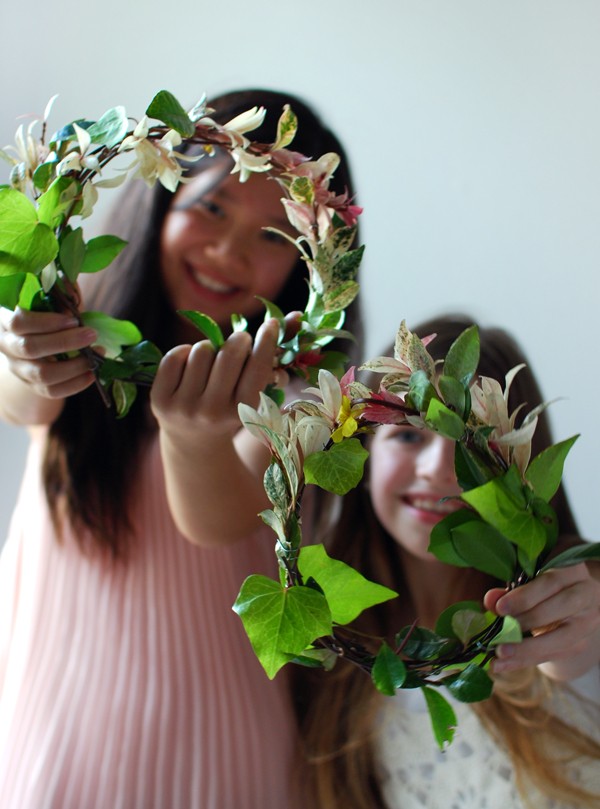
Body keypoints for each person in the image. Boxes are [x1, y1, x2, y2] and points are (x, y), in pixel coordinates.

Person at [0, 88, 362, 809]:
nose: (228, 251)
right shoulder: (82, 325)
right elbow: (24, 399)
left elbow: (220, 518)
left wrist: (195, 436)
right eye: (212, 206)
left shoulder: (302, 394)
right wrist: (20, 351)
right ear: (163, 200)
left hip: (219, 752)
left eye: (274, 237)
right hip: (58, 734)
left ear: (308, 265)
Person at [291, 314, 600, 809]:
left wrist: (575, 639)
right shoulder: (334, 652)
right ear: (363, 458)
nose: (438, 470)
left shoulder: (572, 595)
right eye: (408, 435)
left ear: (521, 466)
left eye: (471, 445)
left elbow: (576, 643)